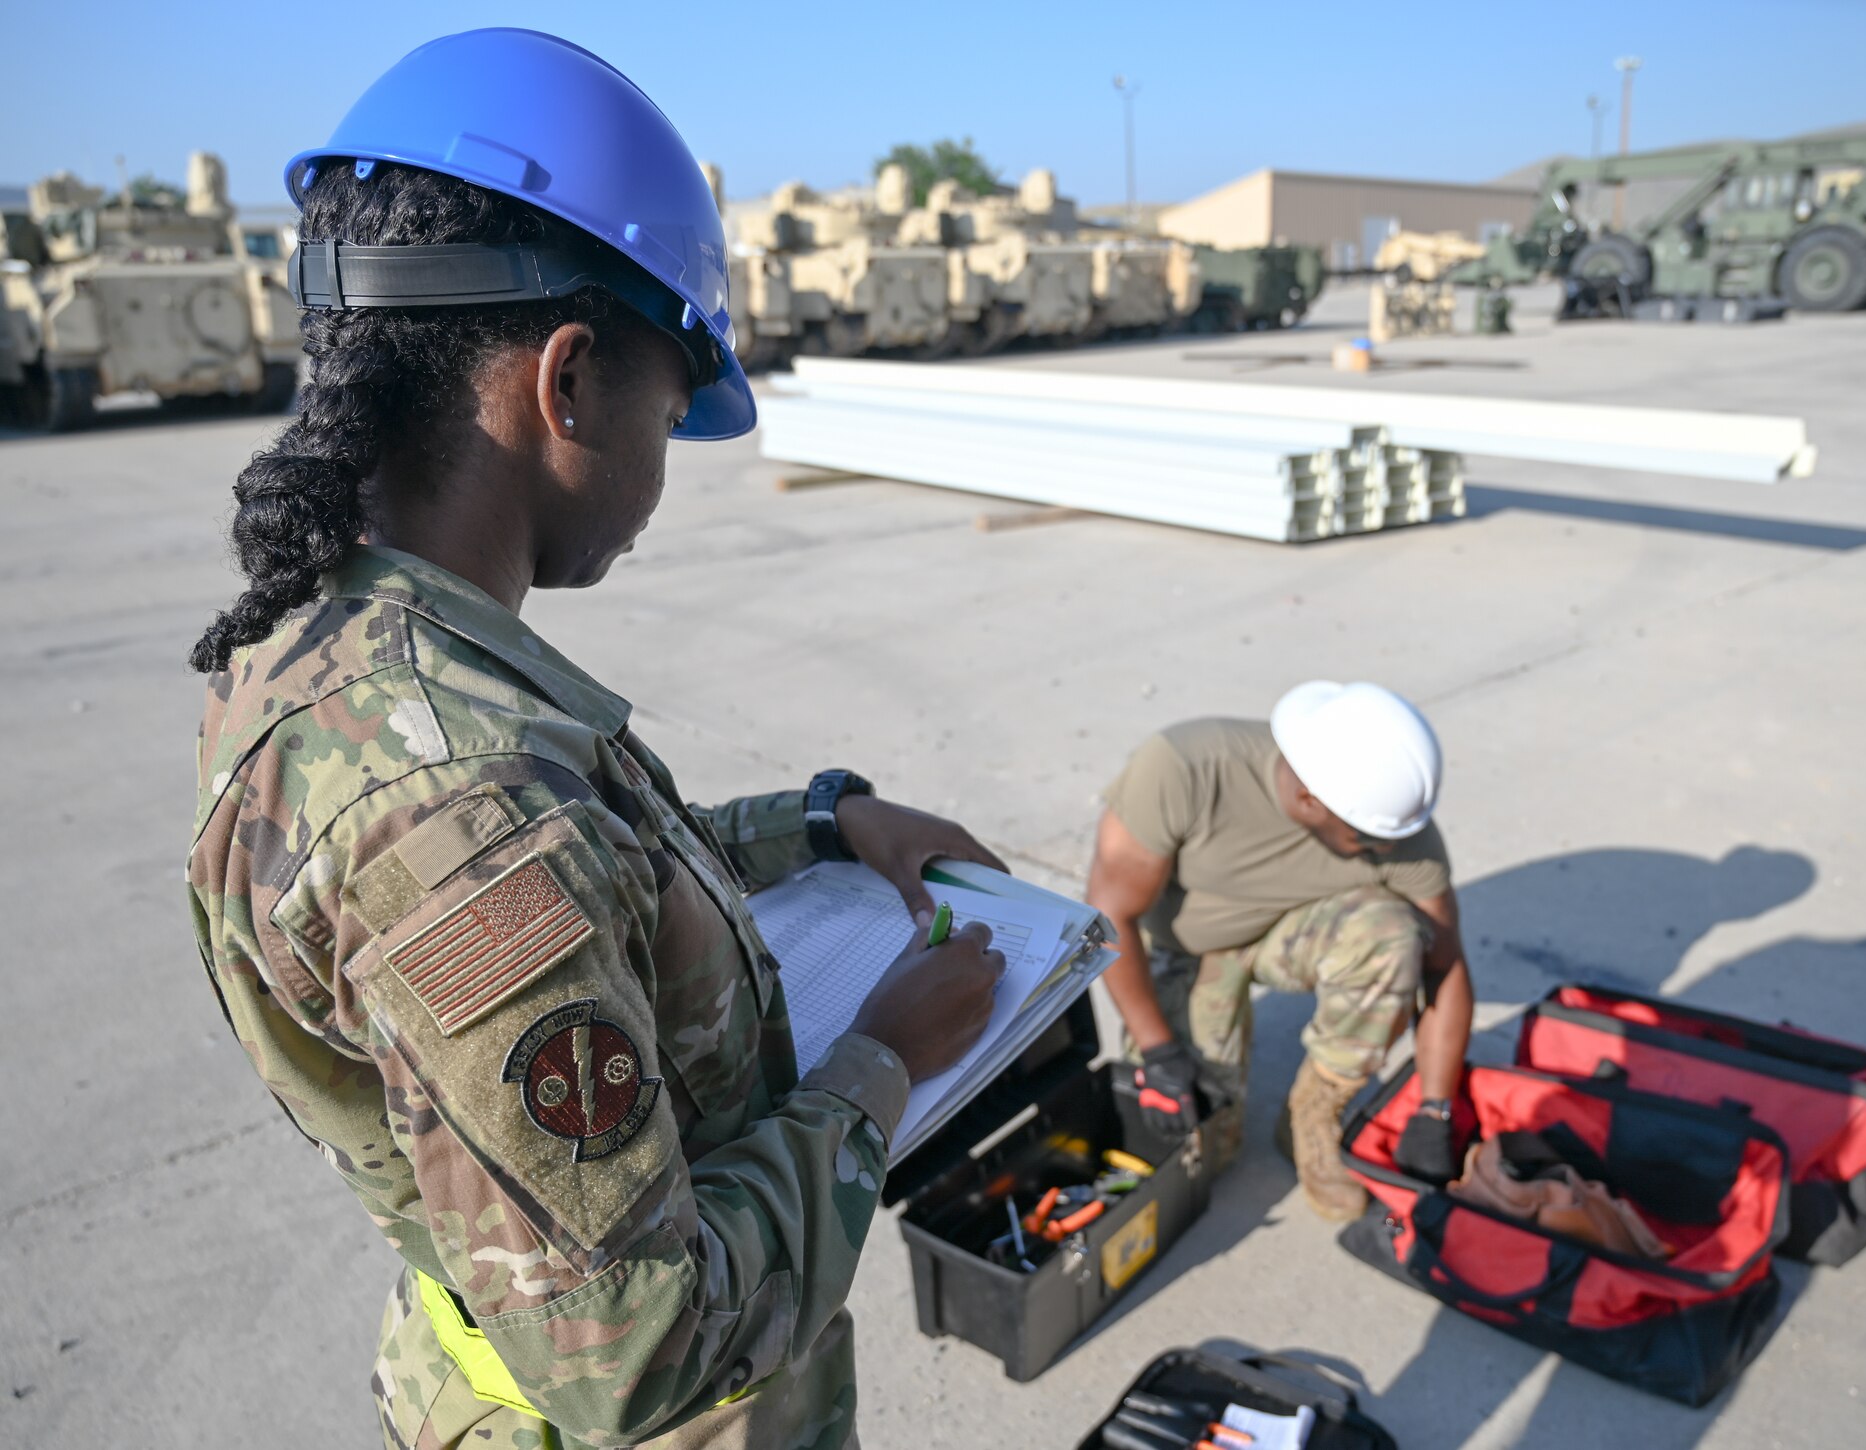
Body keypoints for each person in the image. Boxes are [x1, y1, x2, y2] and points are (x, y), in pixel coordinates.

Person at [184, 29, 1008, 1450]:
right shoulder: (456, 807)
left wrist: (821, 824)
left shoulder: (342, 646)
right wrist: (883, 1058)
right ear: (567, 385)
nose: (659, 477)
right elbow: (638, 1349)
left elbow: (594, 871)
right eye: (672, 417)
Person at [1085, 681, 1473, 1221]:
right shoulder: (1185, 767)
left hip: (1292, 930)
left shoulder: (1391, 823)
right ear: (1309, 799)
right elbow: (1108, 919)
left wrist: (1436, 1109)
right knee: (1201, 1147)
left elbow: (1446, 966)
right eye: (1367, 841)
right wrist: (1158, 1049)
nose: (1387, 850)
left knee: (1392, 935)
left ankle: (1312, 1115)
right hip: (1187, 946)